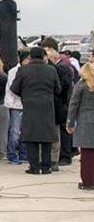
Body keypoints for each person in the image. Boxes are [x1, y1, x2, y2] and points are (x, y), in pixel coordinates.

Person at [10, 47, 61, 174]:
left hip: (30, 106)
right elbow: (58, 89)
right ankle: (46, 166)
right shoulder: (51, 70)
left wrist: (25, 94)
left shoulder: (23, 70)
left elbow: (14, 88)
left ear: (31, 57)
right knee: (46, 137)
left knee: (31, 136)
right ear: (43, 56)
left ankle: (34, 166)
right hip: (47, 107)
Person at [42, 38, 75, 169]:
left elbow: (63, 87)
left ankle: (65, 156)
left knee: (63, 130)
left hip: (61, 103)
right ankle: (64, 155)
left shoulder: (61, 68)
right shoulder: (63, 66)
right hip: (61, 103)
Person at [66, 57, 94, 189]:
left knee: (87, 155)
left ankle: (88, 182)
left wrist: (70, 123)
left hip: (85, 123)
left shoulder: (81, 85)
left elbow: (73, 105)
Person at [4, 49, 31, 164]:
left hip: (27, 105)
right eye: (28, 59)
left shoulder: (29, 70)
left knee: (25, 131)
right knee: (15, 131)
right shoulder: (13, 71)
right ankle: (11, 153)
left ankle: (23, 154)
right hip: (16, 105)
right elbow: (12, 88)